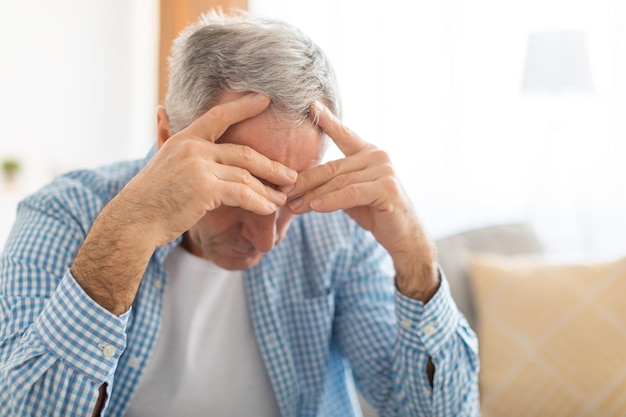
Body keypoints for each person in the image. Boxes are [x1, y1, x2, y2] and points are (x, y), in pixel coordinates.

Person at [0, 10, 479, 417]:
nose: (269, 238)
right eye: (243, 186)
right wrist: (127, 236)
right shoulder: (62, 215)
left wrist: (416, 257)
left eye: (289, 195)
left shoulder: (337, 229)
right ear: (168, 139)